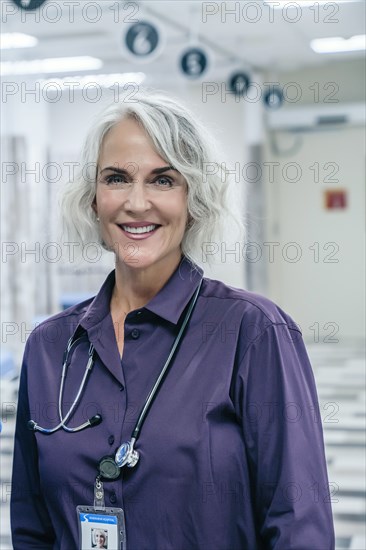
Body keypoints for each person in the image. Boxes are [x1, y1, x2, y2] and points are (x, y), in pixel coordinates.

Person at [11, 89, 335, 549]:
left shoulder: (254, 333)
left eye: (163, 180)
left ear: (193, 199)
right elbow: (31, 528)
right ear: (92, 199)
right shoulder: (48, 348)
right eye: (117, 178)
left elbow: (299, 525)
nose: (137, 203)